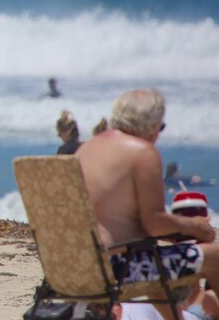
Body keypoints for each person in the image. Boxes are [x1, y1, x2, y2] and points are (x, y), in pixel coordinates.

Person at [76, 88, 219, 320]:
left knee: (152, 260)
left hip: (78, 265)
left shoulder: (86, 149)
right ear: (151, 124)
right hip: (119, 269)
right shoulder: (142, 152)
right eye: (160, 127)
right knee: (214, 256)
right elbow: (154, 224)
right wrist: (195, 226)